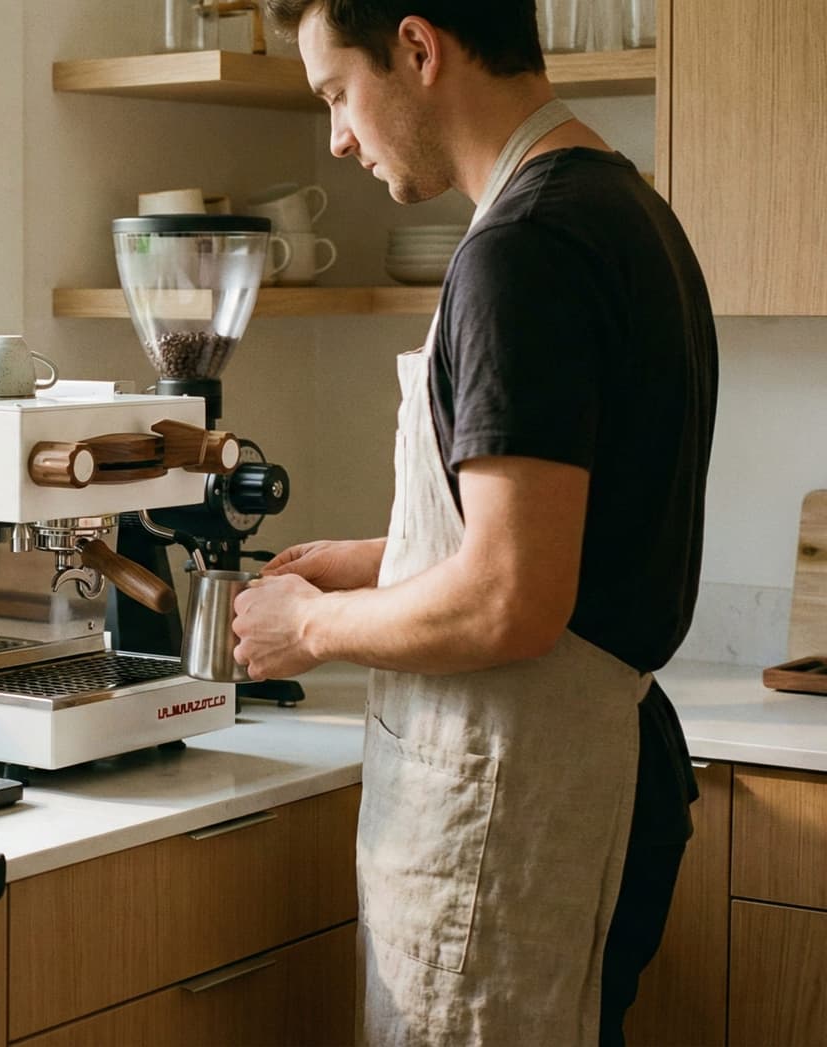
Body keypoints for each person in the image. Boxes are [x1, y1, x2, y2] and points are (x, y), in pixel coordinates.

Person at [235, 3, 715, 1044]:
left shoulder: (523, 252)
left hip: (524, 798)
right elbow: (565, 528)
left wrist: (306, 629)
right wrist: (378, 564)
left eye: (337, 94)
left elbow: (512, 601)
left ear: (418, 47)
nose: (338, 139)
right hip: (590, 769)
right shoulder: (620, 206)